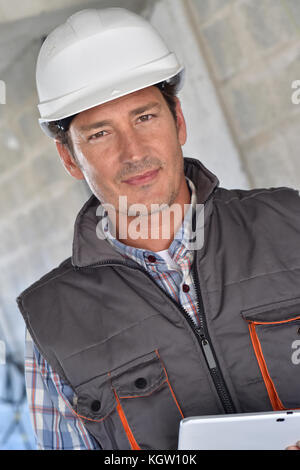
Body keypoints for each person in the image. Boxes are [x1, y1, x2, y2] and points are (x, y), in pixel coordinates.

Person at [17, 7, 300, 450]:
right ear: (70, 158)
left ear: (178, 120)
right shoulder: (53, 322)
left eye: (144, 117)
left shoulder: (290, 223)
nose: (133, 152)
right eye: (99, 134)